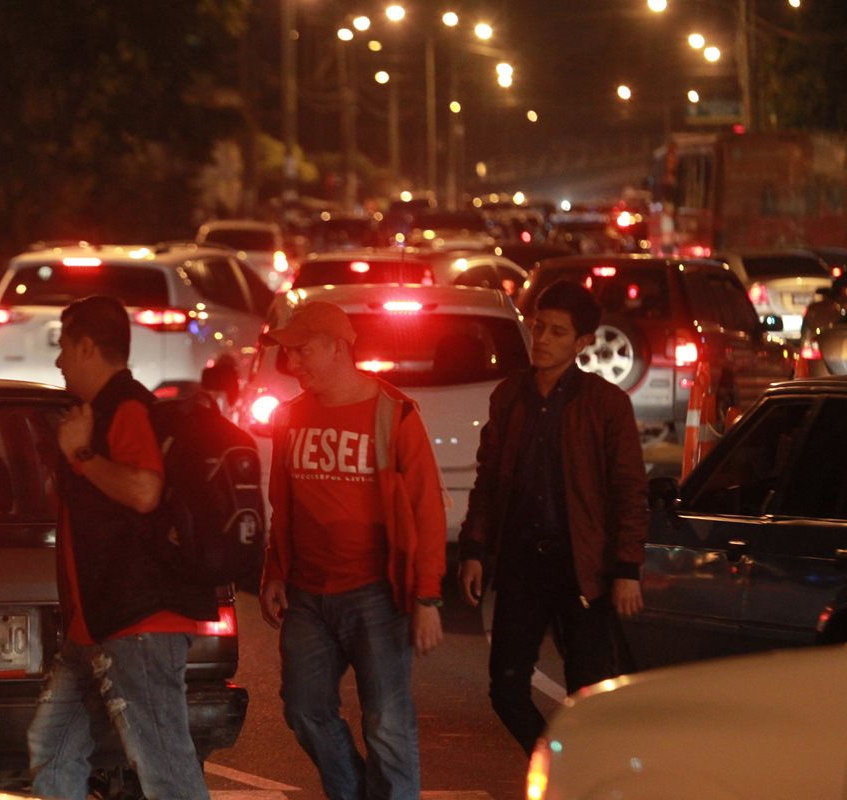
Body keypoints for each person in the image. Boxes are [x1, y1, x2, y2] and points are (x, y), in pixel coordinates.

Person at [27, 295, 214, 800]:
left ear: (88, 347)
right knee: (54, 745)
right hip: (99, 624)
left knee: (163, 763)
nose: (59, 361)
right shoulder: (97, 410)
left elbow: (143, 490)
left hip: (138, 622)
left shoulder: (125, 407)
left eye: (65, 348)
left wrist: (82, 454)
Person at [258, 300, 446, 800]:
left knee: (387, 721)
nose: (292, 364)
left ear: (338, 348)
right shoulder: (291, 417)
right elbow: (284, 502)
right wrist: (275, 571)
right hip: (308, 594)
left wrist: (426, 598)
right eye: (289, 353)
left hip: (376, 594)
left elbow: (427, 509)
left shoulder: (393, 413)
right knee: (303, 708)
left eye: (302, 351)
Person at [457, 280, 648, 755]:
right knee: (505, 689)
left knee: (589, 693)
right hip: (523, 563)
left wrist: (627, 568)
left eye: (557, 332)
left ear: (582, 343)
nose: (541, 338)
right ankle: (554, 765)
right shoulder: (509, 397)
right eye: (538, 327)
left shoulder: (605, 404)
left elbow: (628, 489)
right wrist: (475, 549)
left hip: (582, 567)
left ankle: (583, 776)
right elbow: (490, 482)